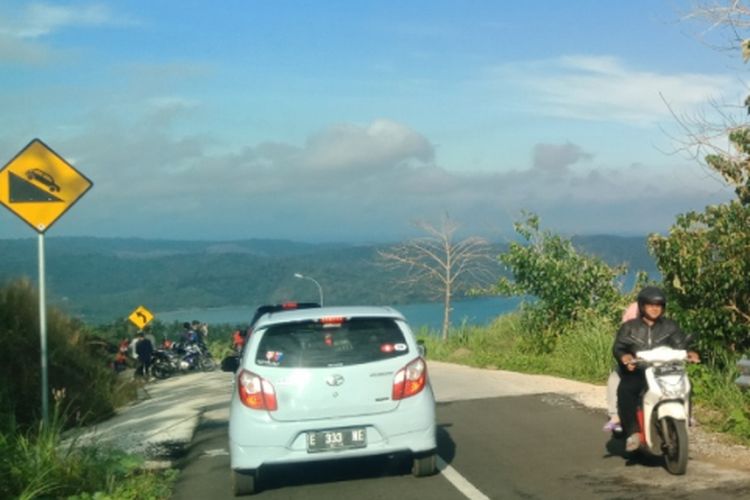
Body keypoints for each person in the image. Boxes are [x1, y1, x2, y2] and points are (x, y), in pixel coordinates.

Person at [613, 286, 700, 452]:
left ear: (663, 307)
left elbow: (679, 344)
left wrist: (689, 353)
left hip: (664, 370)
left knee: (687, 385)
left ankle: (686, 417)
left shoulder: (670, 326)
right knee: (626, 389)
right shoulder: (629, 327)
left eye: (659, 305)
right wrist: (625, 357)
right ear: (642, 306)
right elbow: (619, 347)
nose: (654, 308)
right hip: (639, 371)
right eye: (650, 305)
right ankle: (633, 432)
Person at [603, 301, 640, 432]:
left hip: (653, 364)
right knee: (614, 378)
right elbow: (619, 349)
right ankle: (614, 416)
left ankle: (683, 412)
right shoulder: (626, 332)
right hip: (631, 366)